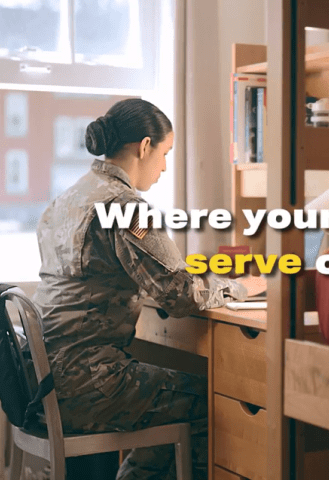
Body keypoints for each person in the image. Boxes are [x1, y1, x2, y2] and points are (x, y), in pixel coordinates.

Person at [33, 98, 264, 480]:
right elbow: (178, 295)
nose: (165, 167)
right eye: (164, 153)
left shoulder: (68, 197)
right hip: (91, 383)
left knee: (167, 387)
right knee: (209, 398)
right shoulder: (126, 206)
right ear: (144, 147)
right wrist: (240, 287)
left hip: (48, 381)